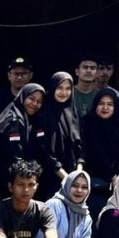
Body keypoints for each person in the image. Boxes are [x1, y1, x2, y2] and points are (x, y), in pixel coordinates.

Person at [0, 83, 48, 205]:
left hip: (21, 179)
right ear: (23, 97)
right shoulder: (13, 120)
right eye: (31, 99)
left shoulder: (33, 119)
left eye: (39, 101)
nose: (34, 104)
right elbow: (13, 154)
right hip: (7, 180)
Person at [82, 88, 119, 221]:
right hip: (95, 184)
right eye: (101, 103)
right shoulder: (88, 123)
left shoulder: (117, 125)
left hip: (115, 185)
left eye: (110, 104)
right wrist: (111, 175)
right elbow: (95, 152)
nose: (105, 107)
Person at [39, 72, 85, 200]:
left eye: (68, 88)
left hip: (73, 178)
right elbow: (44, 150)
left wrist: (78, 170)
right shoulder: (43, 115)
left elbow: (80, 144)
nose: (63, 92)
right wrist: (65, 177)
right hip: (50, 178)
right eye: (59, 88)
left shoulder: (74, 114)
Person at [72, 54, 100, 120]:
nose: (89, 71)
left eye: (92, 68)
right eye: (85, 67)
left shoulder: (100, 95)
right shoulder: (68, 94)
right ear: (77, 72)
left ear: (97, 73)